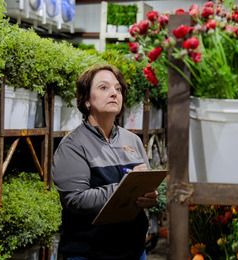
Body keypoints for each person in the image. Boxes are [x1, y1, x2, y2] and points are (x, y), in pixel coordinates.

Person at [52, 64, 158, 260]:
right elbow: (76, 200)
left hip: (134, 251)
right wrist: (124, 188)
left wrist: (148, 197)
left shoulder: (132, 140)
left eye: (118, 89)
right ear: (86, 101)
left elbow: (144, 188)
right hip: (89, 252)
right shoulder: (73, 145)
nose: (114, 93)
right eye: (104, 88)